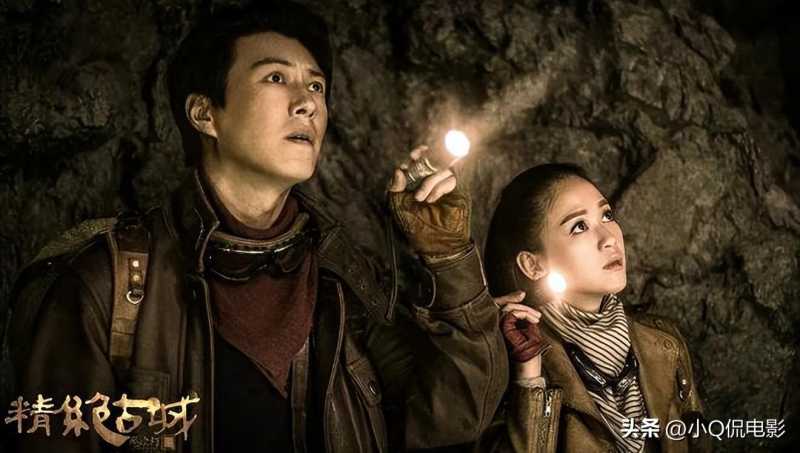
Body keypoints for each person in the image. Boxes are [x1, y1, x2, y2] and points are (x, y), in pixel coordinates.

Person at [6, 2, 506, 452]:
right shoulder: (105, 283)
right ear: (205, 114)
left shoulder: (341, 276)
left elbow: (452, 418)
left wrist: (449, 257)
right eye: (275, 77)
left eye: (316, 86)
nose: (307, 102)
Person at [478, 163, 710, 453]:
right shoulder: (512, 357)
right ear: (533, 265)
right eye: (579, 226)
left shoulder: (664, 342)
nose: (609, 238)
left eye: (607, 215)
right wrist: (529, 380)